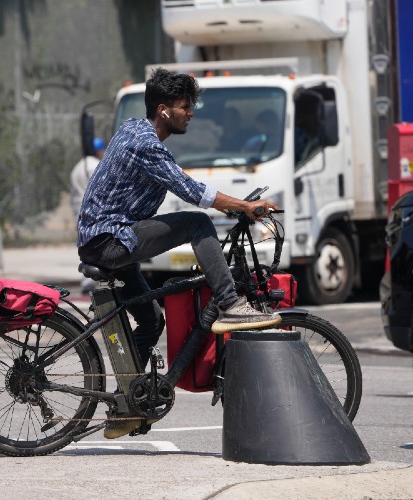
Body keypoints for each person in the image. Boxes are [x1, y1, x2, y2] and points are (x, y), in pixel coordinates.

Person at [77, 67, 281, 439]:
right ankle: (231, 303)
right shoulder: (146, 144)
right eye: (186, 106)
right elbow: (191, 190)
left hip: (111, 240)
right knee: (197, 224)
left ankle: (126, 404)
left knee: (152, 320)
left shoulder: (136, 132)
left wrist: (234, 205)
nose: (191, 113)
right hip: (110, 241)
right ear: (164, 110)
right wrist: (240, 207)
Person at [71, 137, 105, 294]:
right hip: (91, 212)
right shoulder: (93, 165)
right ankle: (91, 281)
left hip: (78, 212)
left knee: (84, 247)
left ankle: (87, 280)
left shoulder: (78, 166)